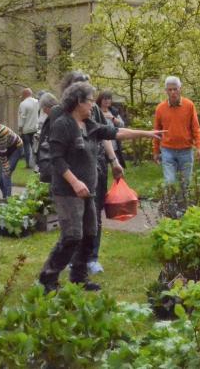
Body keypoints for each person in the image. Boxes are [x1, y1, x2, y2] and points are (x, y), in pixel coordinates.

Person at [38, 82, 163, 292]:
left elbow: (116, 132)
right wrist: (75, 182)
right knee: (72, 235)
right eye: (89, 100)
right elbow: (56, 159)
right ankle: (48, 278)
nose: (92, 105)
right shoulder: (63, 124)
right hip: (68, 192)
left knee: (89, 233)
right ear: (78, 102)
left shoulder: (89, 124)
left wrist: (146, 133)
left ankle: (79, 276)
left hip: (89, 191)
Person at [55, 72, 123, 276]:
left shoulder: (94, 111)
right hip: (71, 173)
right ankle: (72, 259)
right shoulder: (61, 114)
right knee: (73, 219)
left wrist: (114, 161)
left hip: (96, 167)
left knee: (94, 216)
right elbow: (55, 153)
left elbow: (105, 135)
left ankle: (91, 258)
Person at [152, 76, 200, 190]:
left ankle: (184, 206)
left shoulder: (189, 105)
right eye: (170, 90)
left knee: (186, 183)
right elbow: (156, 132)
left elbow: (196, 128)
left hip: (186, 150)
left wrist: (199, 147)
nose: (173, 92)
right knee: (169, 183)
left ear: (180, 89)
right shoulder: (160, 108)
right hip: (167, 151)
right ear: (166, 91)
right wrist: (155, 151)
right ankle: (170, 206)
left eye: (175, 89)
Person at [98, 91, 126, 168]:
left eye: (109, 99)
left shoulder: (113, 111)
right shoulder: (95, 111)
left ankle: (119, 180)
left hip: (114, 146)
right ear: (100, 100)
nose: (107, 101)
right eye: (105, 99)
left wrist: (112, 118)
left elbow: (122, 125)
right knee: (102, 172)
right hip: (100, 148)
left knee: (118, 169)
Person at [18, 88, 40, 170]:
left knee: (27, 147)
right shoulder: (37, 102)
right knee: (35, 146)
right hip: (35, 127)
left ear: (24, 94)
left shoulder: (23, 104)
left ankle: (28, 164)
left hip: (26, 129)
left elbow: (22, 117)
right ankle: (36, 163)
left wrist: (20, 128)